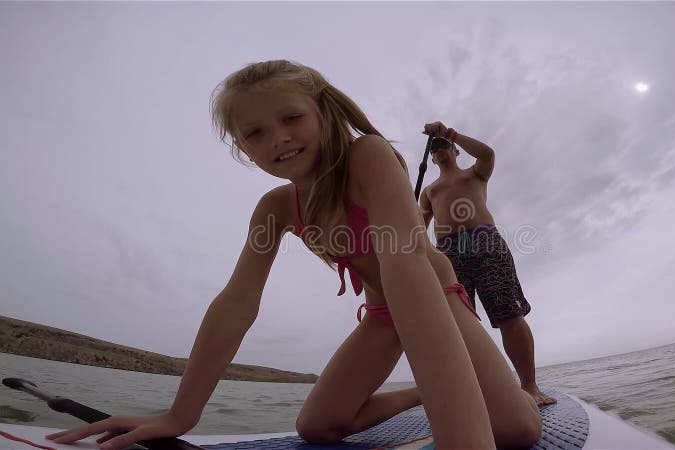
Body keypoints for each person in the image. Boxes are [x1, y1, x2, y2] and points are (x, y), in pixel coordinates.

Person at [45, 61, 540, 450]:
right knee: (318, 426)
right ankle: (421, 394)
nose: (278, 137)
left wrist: (463, 441)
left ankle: (500, 394)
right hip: (383, 314)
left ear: (322, 113)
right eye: (254, 133)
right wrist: (180, 416)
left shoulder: (368, 155)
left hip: (434, 296)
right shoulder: (276, 209)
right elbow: (236, 302)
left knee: (517, 433)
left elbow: (406, 258)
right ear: (243, 148)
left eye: (291, 117)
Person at [418, 121, 556, 406]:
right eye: (436, 148)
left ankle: (529, 387)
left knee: (507, 313)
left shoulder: (475, 173)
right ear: (431, 159)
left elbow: (488, 154)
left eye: (445, 145)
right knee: (458, 323)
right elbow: (419, 225)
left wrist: (447, 132)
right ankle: (472, 392)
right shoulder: (429, 191)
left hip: (486, 242)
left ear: (456, 151)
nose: (441, 148)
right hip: (449, 252)